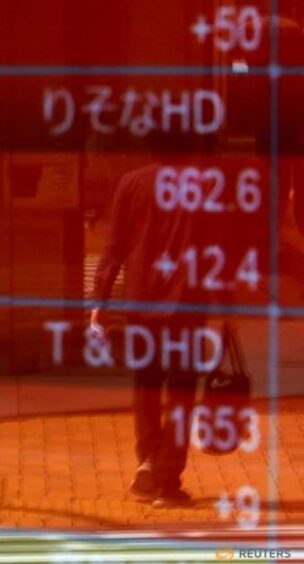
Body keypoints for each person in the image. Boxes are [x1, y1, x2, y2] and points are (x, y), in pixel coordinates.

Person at [91, 160, 208, 508]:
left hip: (141, 299)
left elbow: (114, 246)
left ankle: (148, 460)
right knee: (181, 389)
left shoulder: (131, 183)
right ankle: (167, 478)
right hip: (185, 301)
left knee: (146, 381)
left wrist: (100, 301)